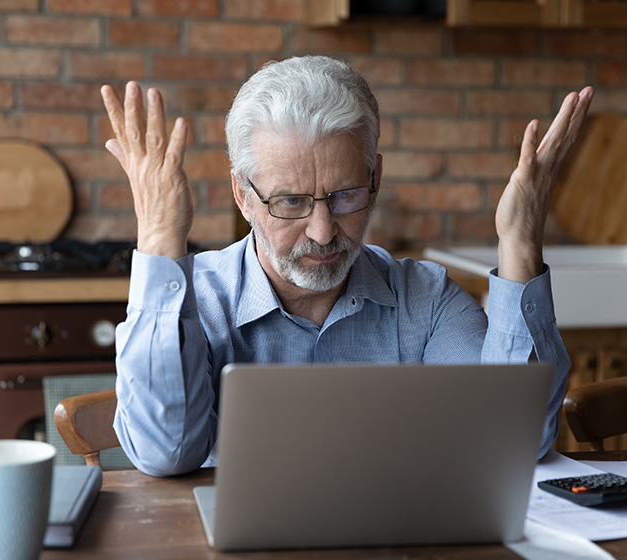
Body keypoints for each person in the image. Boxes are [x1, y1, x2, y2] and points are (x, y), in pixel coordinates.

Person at [100, 55, 593, 477]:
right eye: (290, 202)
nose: (322, 230)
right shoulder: (197, 303)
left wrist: (521, 241)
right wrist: (162, 239)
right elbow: (165, 453)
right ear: (242, 196)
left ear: (375, 179)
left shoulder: (426, 301)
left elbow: (512, 440)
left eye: (345, 196)